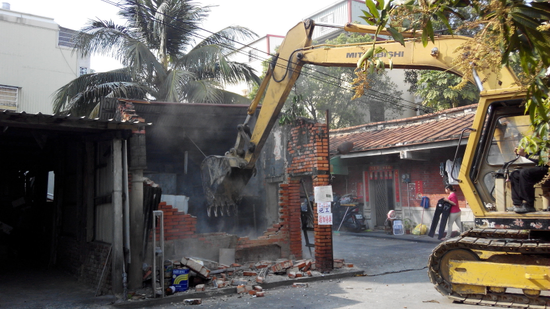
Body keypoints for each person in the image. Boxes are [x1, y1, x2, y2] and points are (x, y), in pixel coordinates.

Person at [509, 147, 548, 213]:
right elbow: (539, 157)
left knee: (525, 173)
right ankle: (518, 204)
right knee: (515, 174)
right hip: (541, 167)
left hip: (547, 168)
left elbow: (546, 161)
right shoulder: (542, 144)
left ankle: (529, 204)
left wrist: (525, 154)